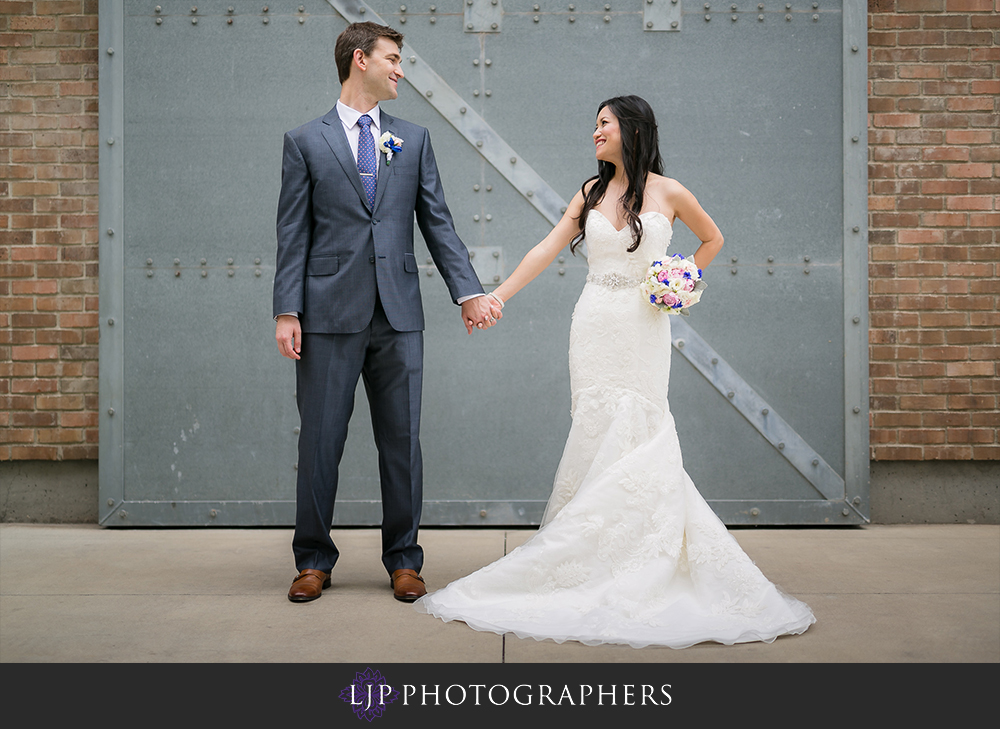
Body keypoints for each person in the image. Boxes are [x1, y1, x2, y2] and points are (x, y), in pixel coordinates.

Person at [414, 96, 816, 647]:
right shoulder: (590, 192)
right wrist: (496, 296)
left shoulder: (669, 191)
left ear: (630, 128)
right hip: (595, 324)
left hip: (646, 326)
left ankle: (643, 558)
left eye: (603, 123)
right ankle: (591, 555)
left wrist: (680, 277)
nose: (595, 132)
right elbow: (547, 247)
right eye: (595, 125)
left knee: (642, 430)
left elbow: (713, 239)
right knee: (597, 429)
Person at [272, 22, 501, 604]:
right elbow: (292, 234)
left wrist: (468, 291)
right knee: (320, 441)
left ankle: (404, 559)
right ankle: (313, 560)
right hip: (326, 315)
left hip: (399, 316)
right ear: (359, 60)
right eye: (393, 59)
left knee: (402, 440)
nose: (401, 70)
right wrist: (286, 309)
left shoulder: (412, 139)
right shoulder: (305, 141)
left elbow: (437, 222)